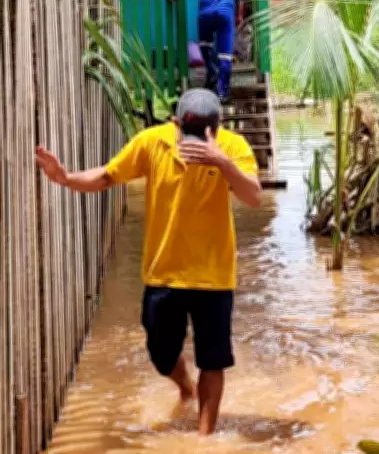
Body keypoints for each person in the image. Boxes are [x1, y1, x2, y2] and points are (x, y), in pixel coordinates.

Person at [34, 88, 262, 435]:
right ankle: (185, 388)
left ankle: (203, 438)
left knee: (213, 360)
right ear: (174, 124)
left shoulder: (233, 147)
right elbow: (109, 175)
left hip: (213, 277)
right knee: (161, 353)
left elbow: (254, 197)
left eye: (204, 135)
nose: (196, 144)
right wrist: (67, 179)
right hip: (163, 273)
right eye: (190, 135)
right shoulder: (152, 143)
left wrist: (220, 161)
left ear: (218, 127)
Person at [167, 0, 242, 100]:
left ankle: (212, 72)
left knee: (205, 47)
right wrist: (238, 15)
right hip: (225, 14)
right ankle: (222, 92)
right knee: (225, 56)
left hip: (206, 14)